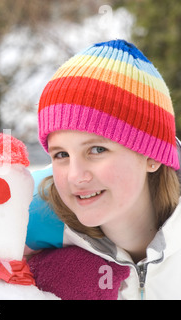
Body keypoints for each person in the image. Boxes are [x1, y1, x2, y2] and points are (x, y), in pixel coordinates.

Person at [33, 39, 181, 299]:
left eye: (97, 150)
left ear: (151, 155)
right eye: (61, 154)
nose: (75, 176)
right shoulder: (32, 213)